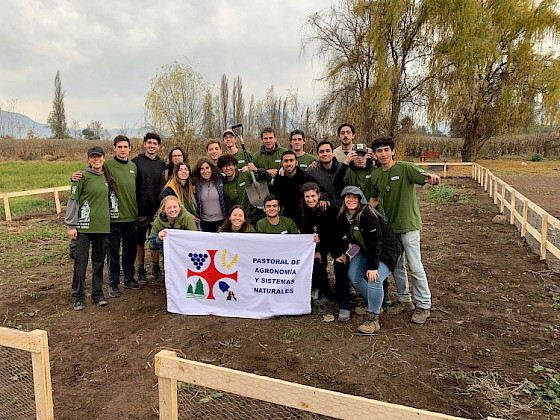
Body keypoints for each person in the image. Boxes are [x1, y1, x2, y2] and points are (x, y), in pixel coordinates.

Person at [369, 136, 440, 324]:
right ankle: (404, 299)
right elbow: (374, 200)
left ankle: (424, 305)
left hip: (408, 226)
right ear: (375, 154)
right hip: (390, 230)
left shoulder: (406, 168)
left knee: (415, 266)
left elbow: (426, 177)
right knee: (397, 266)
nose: (383, 154)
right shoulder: (376, 175)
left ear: (393, 151)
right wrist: (362, 213)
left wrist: (433, 179)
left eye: (386, 150)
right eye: (379, 151)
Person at [336, 186, 402, 333]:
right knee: (353, 275)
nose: (351, 200)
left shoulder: (368, 214)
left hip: (385, 250)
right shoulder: (343, 217)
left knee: (375, 278)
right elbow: (346, 238)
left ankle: (373, 318)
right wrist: (346, 251)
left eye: (354, 197)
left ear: (360, 200)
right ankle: (375, 303)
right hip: (365, 250)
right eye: (348, 197)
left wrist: (372, 267)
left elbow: (375, 241)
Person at [65, 146, 112, 310]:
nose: (96, 160)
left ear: (104, 158)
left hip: (102, 227)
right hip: (84, 227)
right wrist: (71, 225)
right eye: (93, 157)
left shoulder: (107, 176)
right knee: (80, 263)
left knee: (99, 262)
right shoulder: (81, 177)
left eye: (99, 157)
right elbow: (73, 200)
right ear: (88, 160)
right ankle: (78, 296)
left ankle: (98, 294)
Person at [298, 182, 351, 314]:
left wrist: (338, 253)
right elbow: (307, 230)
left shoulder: (329, 208)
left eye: (313, 196)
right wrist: (316, 250)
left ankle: (344, 300)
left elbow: (335, 232)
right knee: (317, 263)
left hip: (336, 242)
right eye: (307, 197)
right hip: (318, 244)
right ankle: (326, 293)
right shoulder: (303, 210)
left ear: (319, 195)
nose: (310, 199)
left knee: (339, 265)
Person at [104, 136, 141, 297]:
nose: (123, 149)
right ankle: (113, 283)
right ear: (114, 149)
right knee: (113, 251)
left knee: (130, 250)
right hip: (114, 218)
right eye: (119, 147)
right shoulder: (108, 165)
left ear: (130, 149)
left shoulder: (133, 166)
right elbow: (92, 173)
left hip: (131, 216)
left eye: (125, 146)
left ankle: (129, 278)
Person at [132, 133, 166, 284]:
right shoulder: (136, 162)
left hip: (157, 209)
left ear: (159, 147)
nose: (152, 146)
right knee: (140, 241)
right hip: (140, 209)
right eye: (149, 143)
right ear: (144, 144)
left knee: (155, 240)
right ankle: (140, 269)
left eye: (155, 144)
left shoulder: (162, 164)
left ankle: (155, 267)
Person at [272, 151, 323, 222]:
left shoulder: (306, 177)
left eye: (291, 160)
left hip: (304, 213)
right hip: (286, 214)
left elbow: (319, 190)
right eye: (286, 161)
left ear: (296, 162)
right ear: (282, 164)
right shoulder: (279, 178)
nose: (289, 164)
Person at [217, 155, 267, 225]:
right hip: (241, 220)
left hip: (257, 217)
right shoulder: (224, 185)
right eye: (224, 166)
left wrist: (256, 169)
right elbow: (229, 206)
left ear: (235, 166)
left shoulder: (245, 174)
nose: (228, 168)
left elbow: (266, 177)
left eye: (230, 165)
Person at [306, 140, 343, 209]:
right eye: (321, 152)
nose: (325, 154)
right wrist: (322, 197)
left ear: (332, 153)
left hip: (342, 209)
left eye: (328, 151)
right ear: (318, 155)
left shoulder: (343, 168)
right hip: (323, 211)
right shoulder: (312, 171)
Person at [193, 157, 227, 232]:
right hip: (204, 222)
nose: (205, 171)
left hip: (221, 221)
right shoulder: (196, 183)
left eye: (207, 168)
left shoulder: (220, 179)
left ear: (211, 169)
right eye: (202, 169)